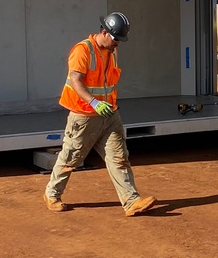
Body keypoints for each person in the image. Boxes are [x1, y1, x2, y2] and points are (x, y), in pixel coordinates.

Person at [44, 12, 156, 216]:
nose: (118, 44)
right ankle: (52, 194)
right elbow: (76, 80)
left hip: (109, 115)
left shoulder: (111, 51)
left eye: (120, 41)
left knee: (119, 158)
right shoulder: (83, 50)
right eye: (115, 39)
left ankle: (131, 201)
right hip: (84, 116)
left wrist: (105, 105)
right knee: (71, 158)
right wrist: (94, 102)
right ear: (104, 32)